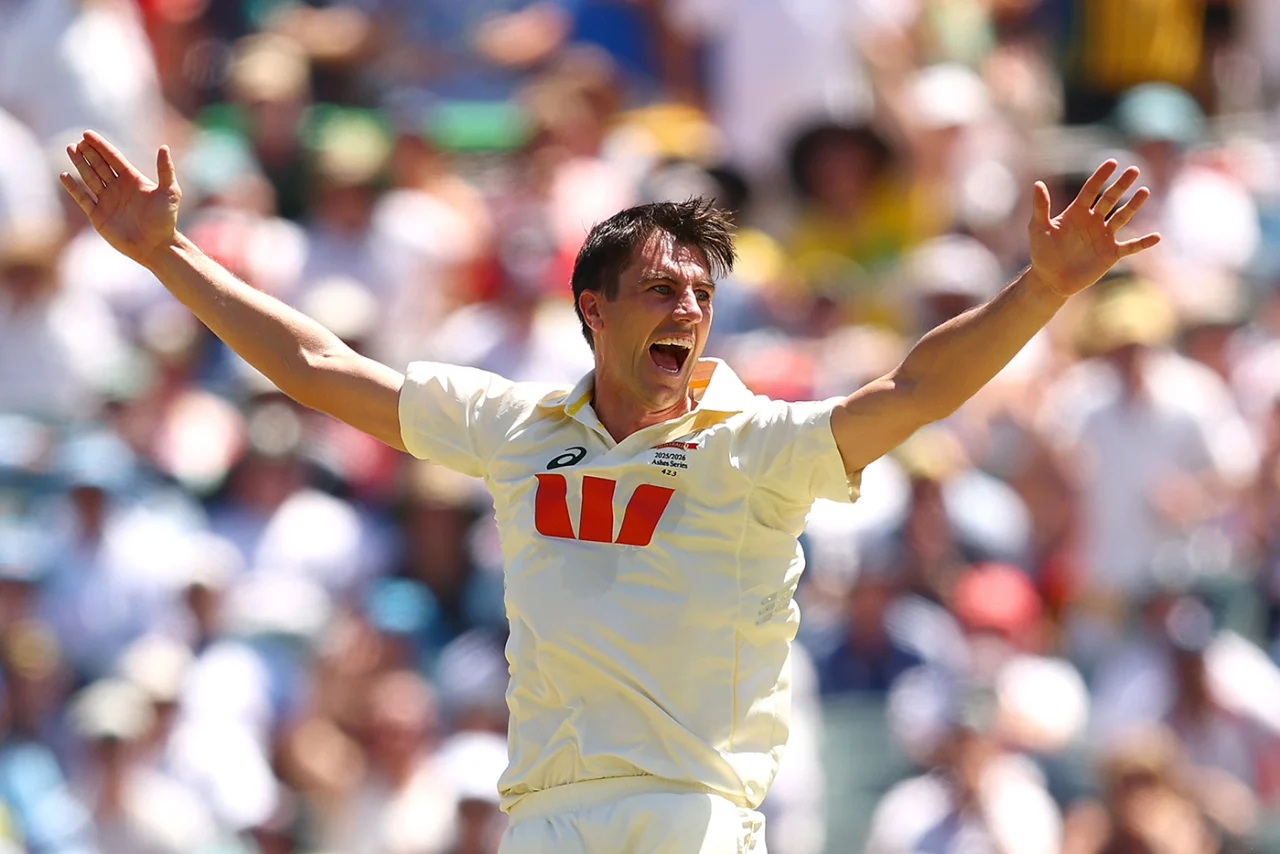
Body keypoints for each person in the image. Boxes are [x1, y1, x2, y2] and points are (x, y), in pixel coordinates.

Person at [59, 128, 1159, 853]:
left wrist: (1041, 288)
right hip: (542, 815)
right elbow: (318, 370)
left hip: (689, 815)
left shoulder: (753, 446)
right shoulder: (514, 429)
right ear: (591, 307)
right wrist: (169, 257)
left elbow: (914, 387)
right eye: (657, 288)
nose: (685, 308)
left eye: (699, 292)